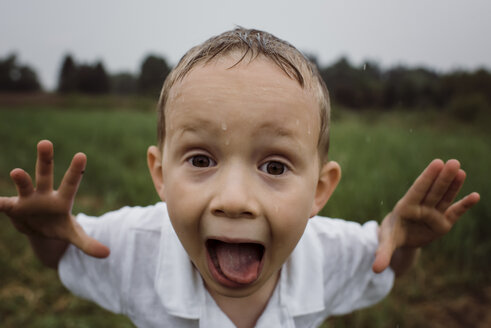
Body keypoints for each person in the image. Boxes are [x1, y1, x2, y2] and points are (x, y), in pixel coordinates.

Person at [0, 28, 480, 328]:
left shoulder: (326, 252)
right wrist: (46, 235)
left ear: (319, 190)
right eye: (201, 160)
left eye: (274, 166)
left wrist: (406, 242)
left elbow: (385, 267)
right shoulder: (135, 246)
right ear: (160, 173)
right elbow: (62, 255)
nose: (234, 200)